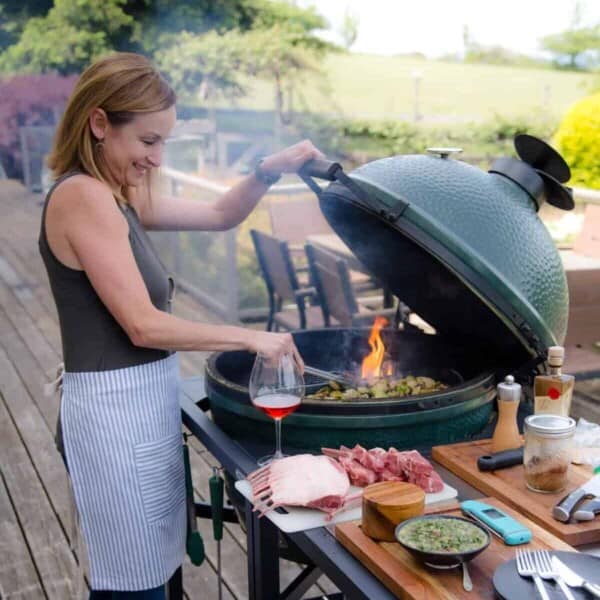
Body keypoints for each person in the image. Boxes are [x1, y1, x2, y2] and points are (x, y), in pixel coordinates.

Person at [39, 52, 322, 599]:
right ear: (99, 124)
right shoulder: (82, 198)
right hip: (113, 421)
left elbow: (221, 216)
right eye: (148, 141)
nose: (157, 157)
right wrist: (250, 335)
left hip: (143, 409)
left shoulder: (115, 198)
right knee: (132, 585)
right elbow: (142, 326)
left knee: (159, 576)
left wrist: (269, 169)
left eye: (164, 142)